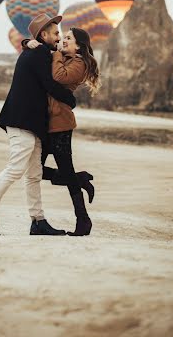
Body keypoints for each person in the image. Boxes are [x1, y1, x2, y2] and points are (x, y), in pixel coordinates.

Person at [0, 13, 76, 236]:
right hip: (21, 121)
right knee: (16, 168)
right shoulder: (37, 53)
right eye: (55, 33)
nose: (59, 36)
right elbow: (49, 84)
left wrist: (26, 42)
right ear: (43, 34)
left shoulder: (38, 51)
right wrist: (71, 99)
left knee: (34, 174)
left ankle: (38, 221)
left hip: (31, 123)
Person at [25, 27, 101, 236]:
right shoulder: (62, 57)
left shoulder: (79, 63)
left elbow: (57, 77)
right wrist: (26, 43)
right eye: (63, 37)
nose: (63, 40)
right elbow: (39, 53)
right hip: (47, 122)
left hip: (61, 124)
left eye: (68, 38)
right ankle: (80, 179)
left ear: (79, 46)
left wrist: (56, 52)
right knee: (34, 170)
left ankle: (83, 220)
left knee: (62, 171)